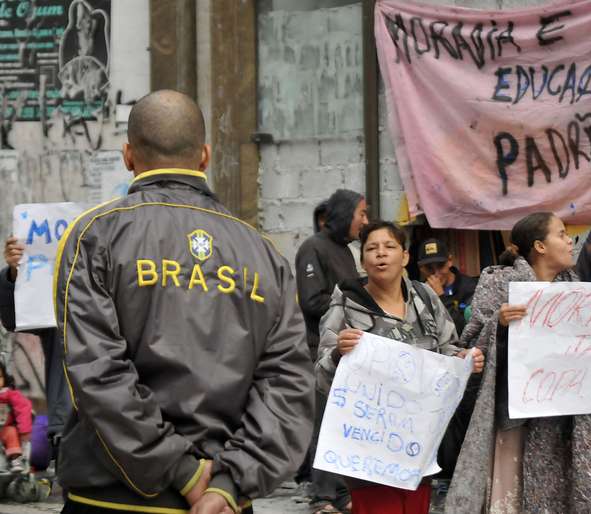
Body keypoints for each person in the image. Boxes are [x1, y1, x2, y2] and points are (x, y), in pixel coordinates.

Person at [53, 90, 314, 514]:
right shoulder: (263, 253)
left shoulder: (92, 235)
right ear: (205, 156)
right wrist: (228, 483)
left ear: (127, 156)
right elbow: (287, 382)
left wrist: (183, 472)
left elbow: (96, 371)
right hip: (222, 502)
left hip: (112, 497)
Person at [446, 212, 591, 514]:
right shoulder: (499, 284)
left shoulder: (577, 288)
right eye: (562, 234)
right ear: (540, 246)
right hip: (517, 421)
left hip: (569, 422)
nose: (570, 242)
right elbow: (470, 347)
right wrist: (499, 326)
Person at [316, 221, 484, 514]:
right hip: (369, 451)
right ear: (363, 260)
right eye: (372, 248)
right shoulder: (345, 305)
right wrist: (337, 355)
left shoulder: (425, 298)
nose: (381, 254)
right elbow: (321, 375)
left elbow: (448, 348)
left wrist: (463, 361)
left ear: (404, 257)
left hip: (417, 445)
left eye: (389, 247)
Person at [295, 188, 368, 514]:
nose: (364, 221)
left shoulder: (346, 251)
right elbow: (312, 301)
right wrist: (356, 308)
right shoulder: (314, 247)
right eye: (361, 214)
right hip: (323, 349)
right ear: (343, 214)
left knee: (342, 421)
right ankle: (322, 496)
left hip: (347, 348)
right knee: (326, 421)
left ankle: (340, 493)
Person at [1, 236, 70, 466]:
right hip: (69, 426)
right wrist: (15, 274)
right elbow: (14, 319)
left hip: (118, 422)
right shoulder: (57, 308)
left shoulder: (123, 301)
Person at [416, 238, 478, 335]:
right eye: (429, 268)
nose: (436, 273)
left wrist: (441, 297)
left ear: (449, 261)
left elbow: (464, 330)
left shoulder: (469, 287)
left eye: (440, 265)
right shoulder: (417, 291)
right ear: (421, 268)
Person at [0, 360, 33, 473]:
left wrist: (24, 430)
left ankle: (15, 459)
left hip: (4, 429)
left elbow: (23, 407)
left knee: (11, 432)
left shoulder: (9, 394)